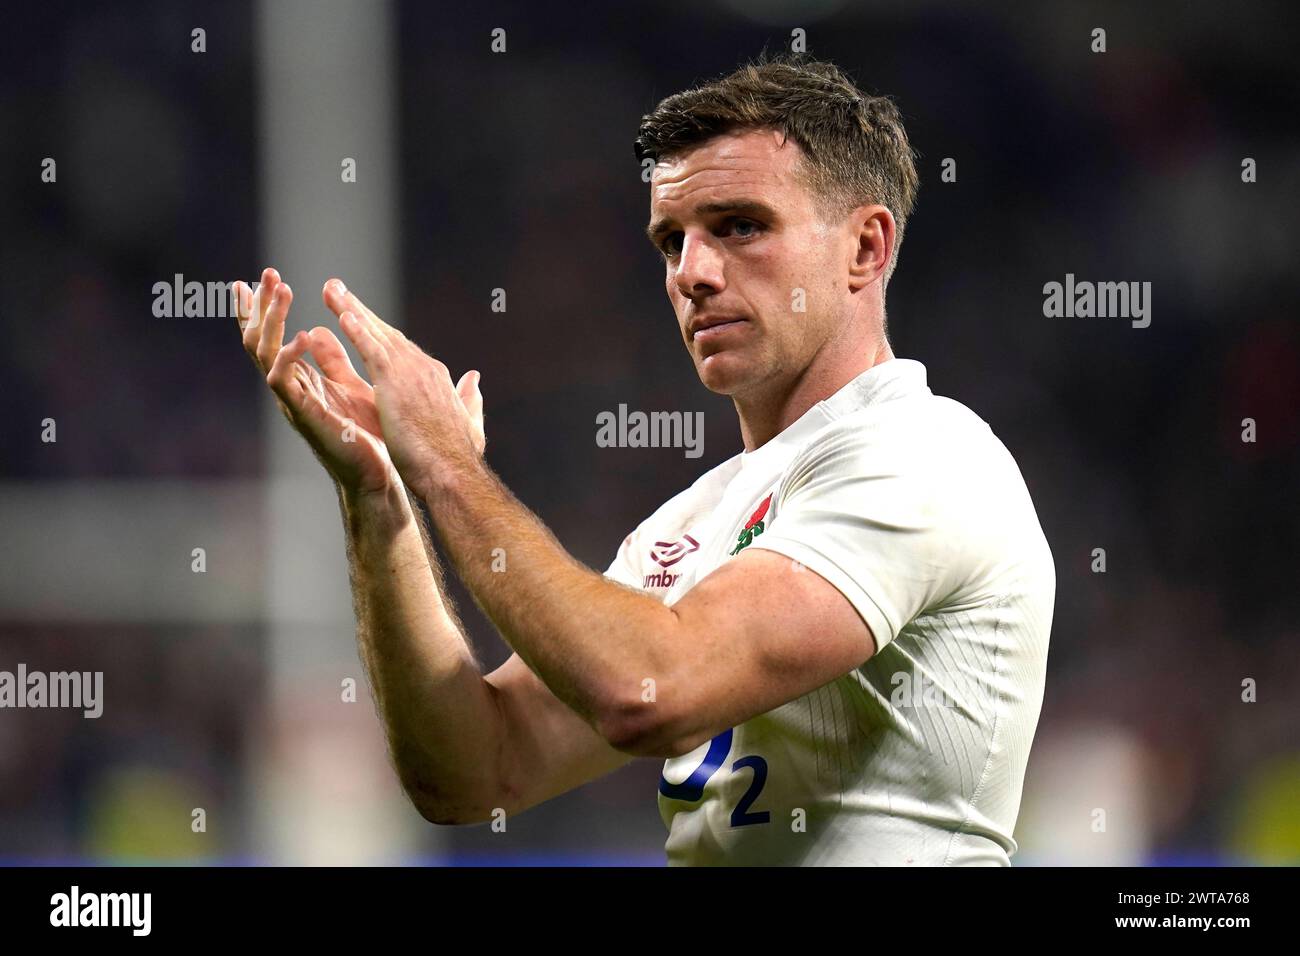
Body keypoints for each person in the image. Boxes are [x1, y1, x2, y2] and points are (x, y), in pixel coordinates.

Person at [233, 54, 1055, 865]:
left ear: (866, 248)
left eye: (740, 225)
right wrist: (383, 499)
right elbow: (477, 770)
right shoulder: (694, 522)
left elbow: (646, 690)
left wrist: (449, 466)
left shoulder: (926, 457)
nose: (692, 273)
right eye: (672, 240)